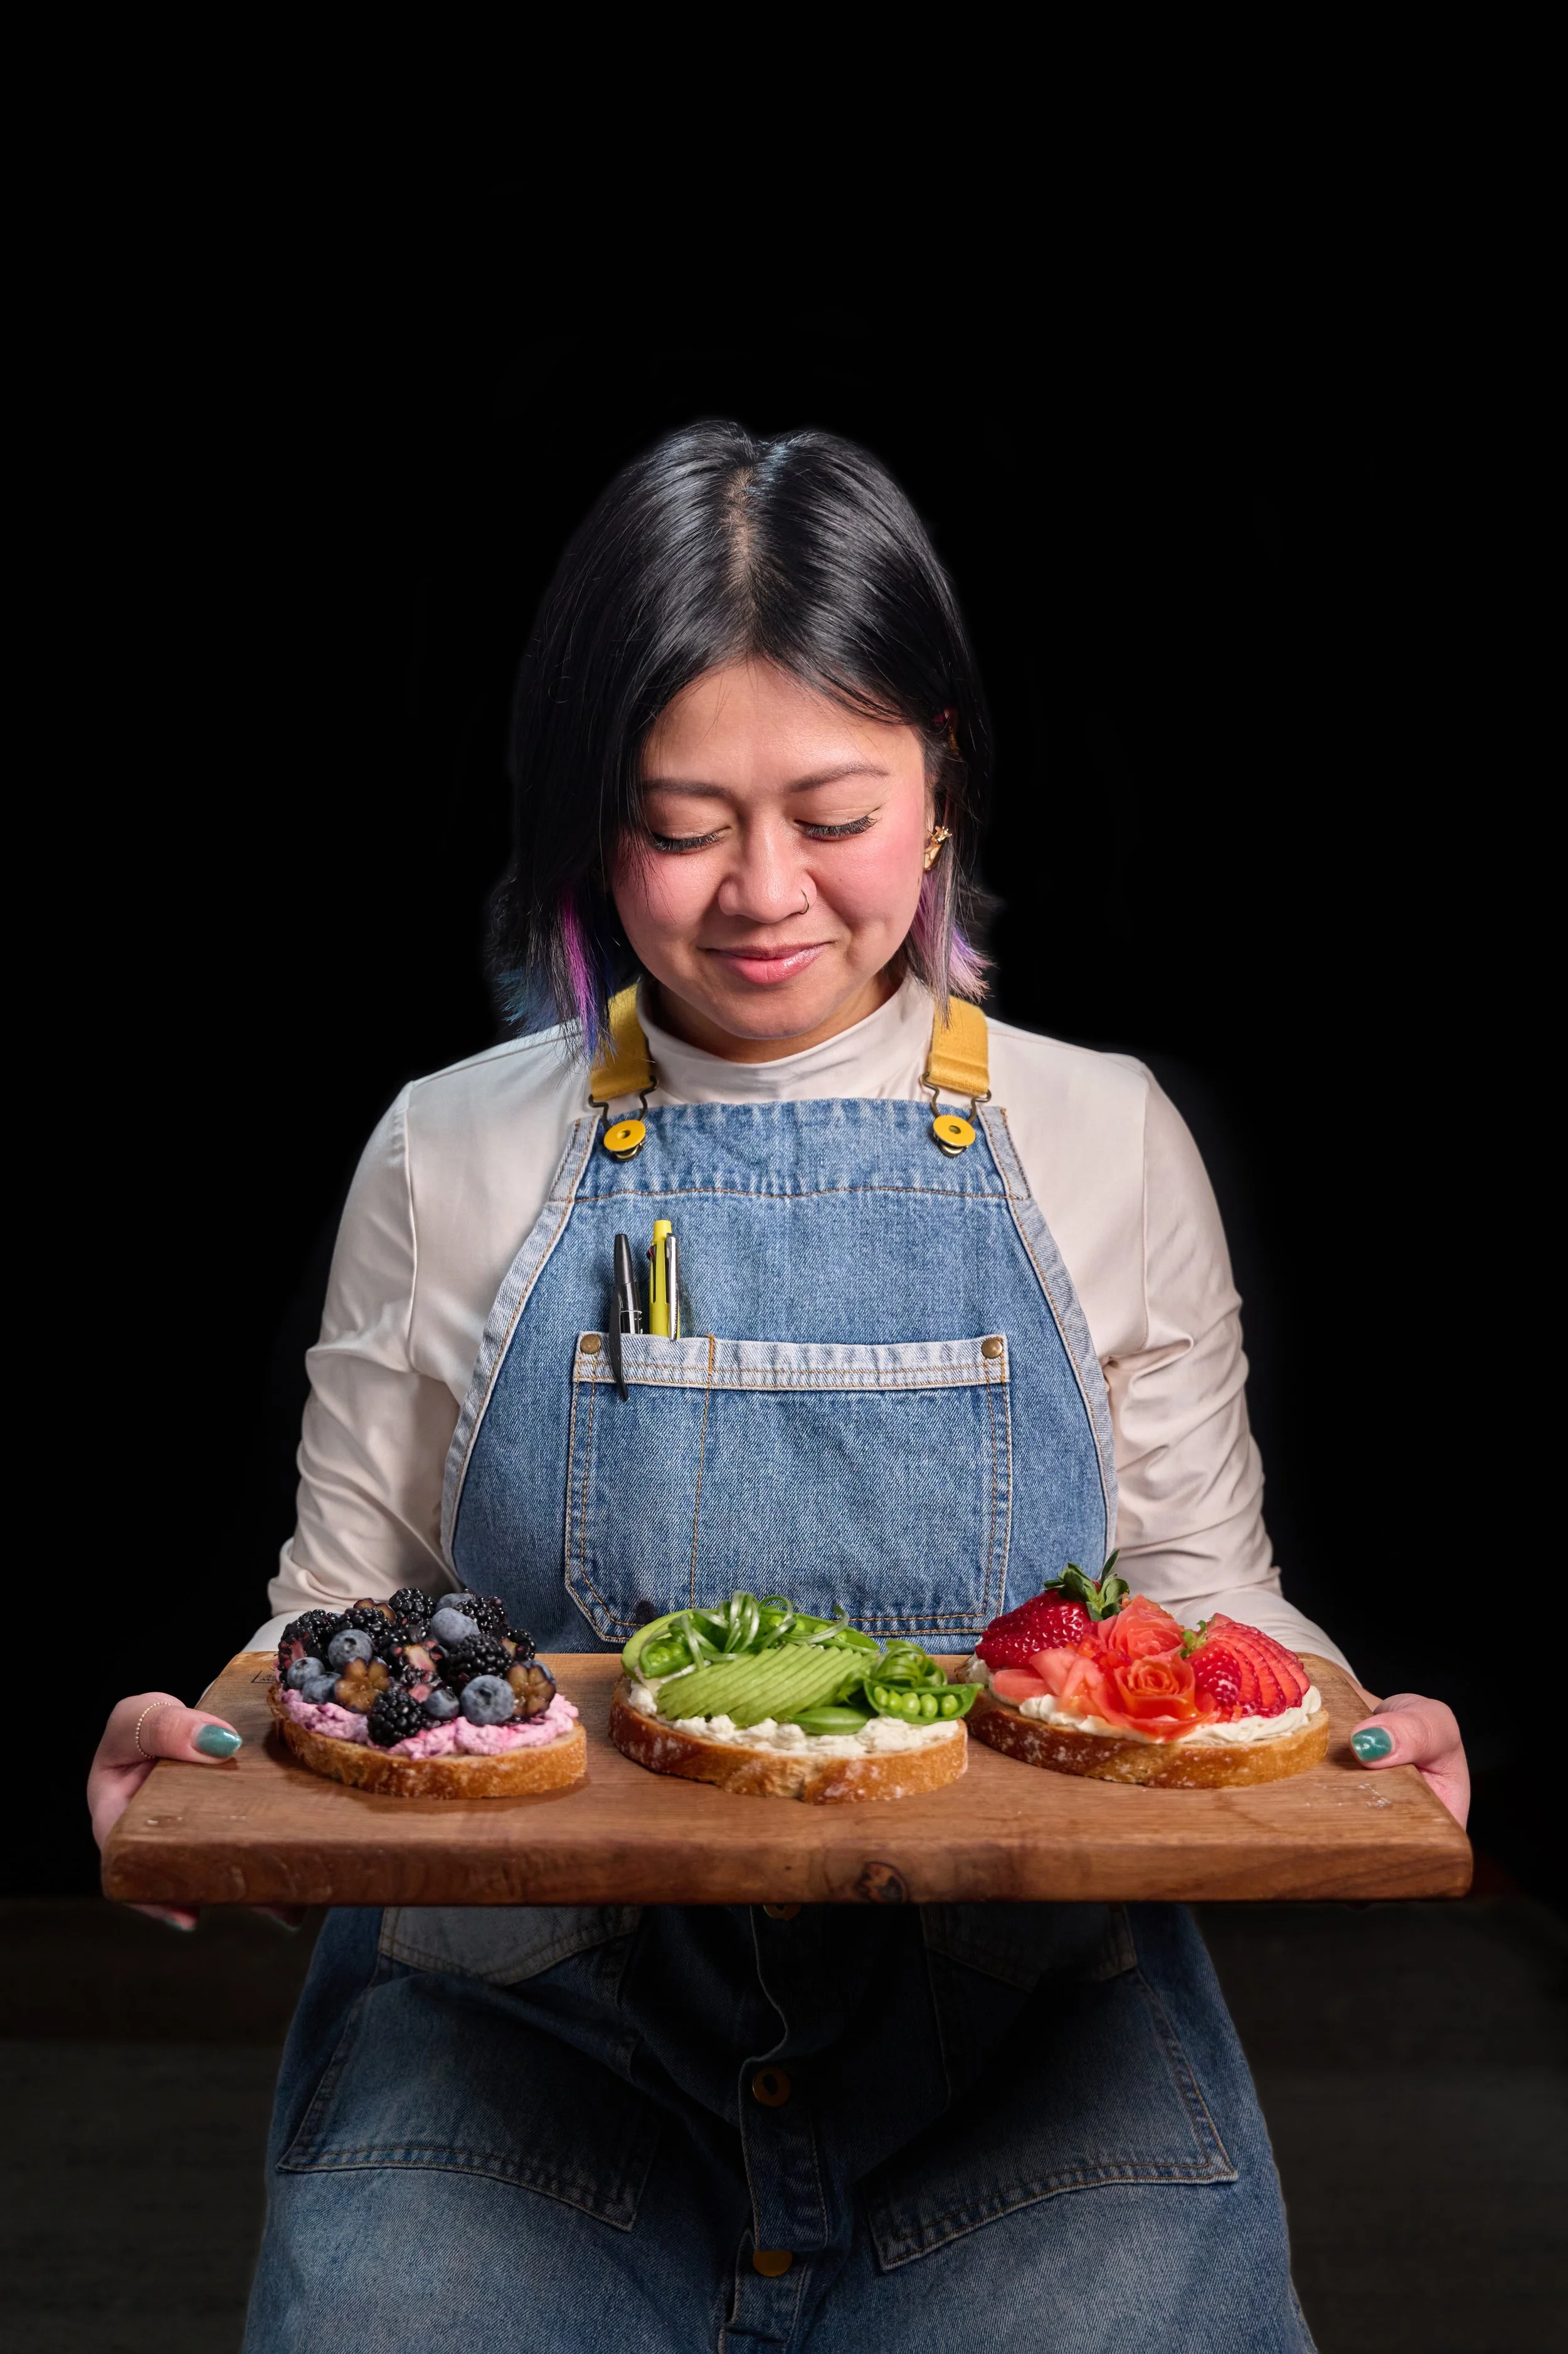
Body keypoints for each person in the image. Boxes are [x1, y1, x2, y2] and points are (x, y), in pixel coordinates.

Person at [90, 423, 1468, 2351]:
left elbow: (1191, 1598)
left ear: (938, 790)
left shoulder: (1099, 1134)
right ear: (588, 822)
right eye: (676, 824)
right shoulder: (450, 1147)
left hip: (1025, 2043)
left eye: (831, 812)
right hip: (520, 2034)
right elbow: (343, 1626)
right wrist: (214, 1753)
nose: (761, 895)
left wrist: (1334, 1731)